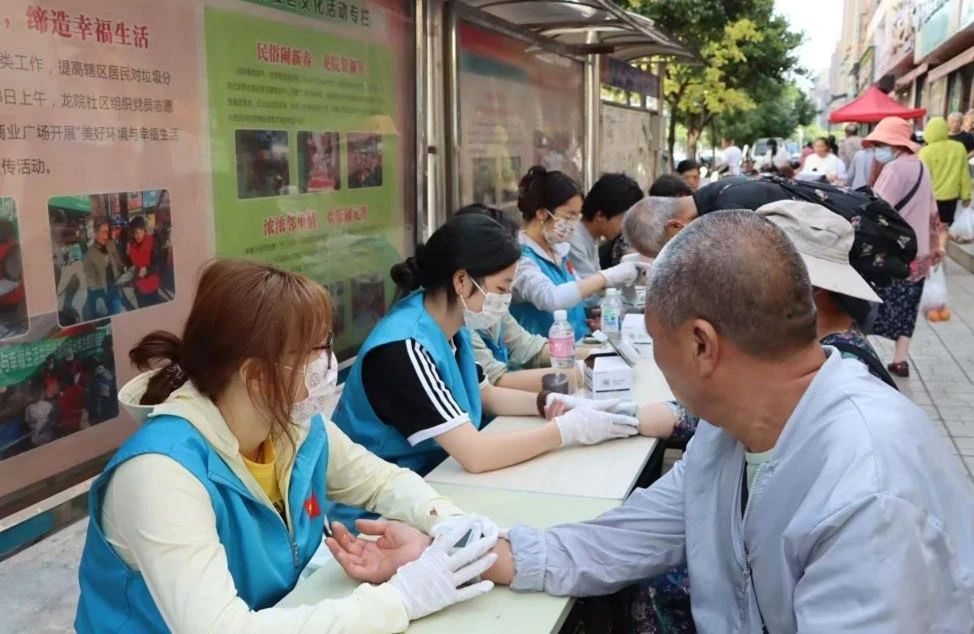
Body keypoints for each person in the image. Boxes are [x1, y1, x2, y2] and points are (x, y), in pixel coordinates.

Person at [330, 211, 974, 632]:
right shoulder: (732, 437)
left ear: (701, 345)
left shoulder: (870, 489)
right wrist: (454, 557)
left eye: (655, 341)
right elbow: (614, 541)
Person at [75, 259, 503, 633]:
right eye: (316, 351)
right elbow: (220, 628)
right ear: (258, 376)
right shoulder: (160, 474)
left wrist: (446, 519)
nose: (329, 364)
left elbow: (378, 481)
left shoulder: (288, 422)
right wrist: (400, 599)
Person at [331, 214, 639, 526]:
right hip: (378, 517)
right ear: (462, 281)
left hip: (433, 486)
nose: (505, 300)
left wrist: (552, 404)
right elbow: (476, 455)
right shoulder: (404, 349)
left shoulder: (452, 325)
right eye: (502, 287)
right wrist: (566, 431)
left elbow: (487, 394)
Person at [456, 204, 586, 392]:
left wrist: (594, 356)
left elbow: (527, 347)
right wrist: (574, 375)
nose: (506, 296)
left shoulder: (489, 307)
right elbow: (493, 380)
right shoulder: (458, 318)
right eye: (502, 287)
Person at [510, 166, 640, 337]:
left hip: (577, 345)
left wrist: (605, 305)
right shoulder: (519, 256)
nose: (573, 224)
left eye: (577, 217)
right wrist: (607, 276)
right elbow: (552, 298)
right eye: (568, 216)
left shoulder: (558, 251)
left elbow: (578, 292)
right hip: (544, 355)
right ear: (542, 213)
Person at [866, 117, 944, 378]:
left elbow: (877, 208)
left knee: (872, 307)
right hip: (918, 256)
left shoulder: (894, 170)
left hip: (891, 255)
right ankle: (900, 360)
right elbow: (934, 212)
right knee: (906, 311)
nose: (878, 149)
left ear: (894, 144)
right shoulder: (922, 167)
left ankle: (866, 358)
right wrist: (935, 247)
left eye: (880, 143)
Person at [604, 175, 693, 269]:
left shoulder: (677, 228)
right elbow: (643, 270)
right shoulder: (638, 229)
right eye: (680, 206)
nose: (686, 213)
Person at [568, 173, 643, 282]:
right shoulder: (574, 239)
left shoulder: (590, 237)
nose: (624, 228)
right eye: (623, 219)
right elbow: (589, 289)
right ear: (600, 215)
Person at [919, 115, 971, 229]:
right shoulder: (959, 147)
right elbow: (964, 174)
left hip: (931, 198)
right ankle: (943, 246)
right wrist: (966, 195)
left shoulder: (924, 152)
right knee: (945, 227)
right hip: (951, 197)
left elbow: (921, 178)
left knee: (930, 228)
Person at [83, 217, 127, 321]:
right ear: (96, 233)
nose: (106, 236)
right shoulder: (90, 254)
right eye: (103, 233)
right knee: (101, 318)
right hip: (101, 289)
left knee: (116, 310)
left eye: (108, 232)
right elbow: (89, 278)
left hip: (114, 285)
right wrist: (97, 296)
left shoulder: (111, 245)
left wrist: (123, 267)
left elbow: (117, 260)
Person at [126, 216, 162, 308]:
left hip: (151, 288)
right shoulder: (132, 244)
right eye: (133, 233)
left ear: (143, 230)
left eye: (137, 233)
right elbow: (132, 263)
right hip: (139, 289)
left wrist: (147, 269)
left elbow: (157, 265)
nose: (135, 236)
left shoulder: (153, 242)